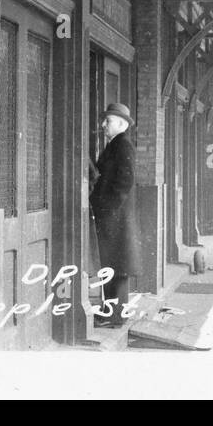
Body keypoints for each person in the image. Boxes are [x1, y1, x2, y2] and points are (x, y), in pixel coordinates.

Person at [89, 103, 142, 327]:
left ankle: (115, 315)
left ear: (121, 124)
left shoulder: (123, 146)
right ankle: (111, 312)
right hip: (114, 217)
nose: (103, 125)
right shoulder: (115, 145)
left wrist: (107, 207)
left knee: (117, 266)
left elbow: (125, 182)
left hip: (116, 218)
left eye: (108, 121)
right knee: (113, 265)